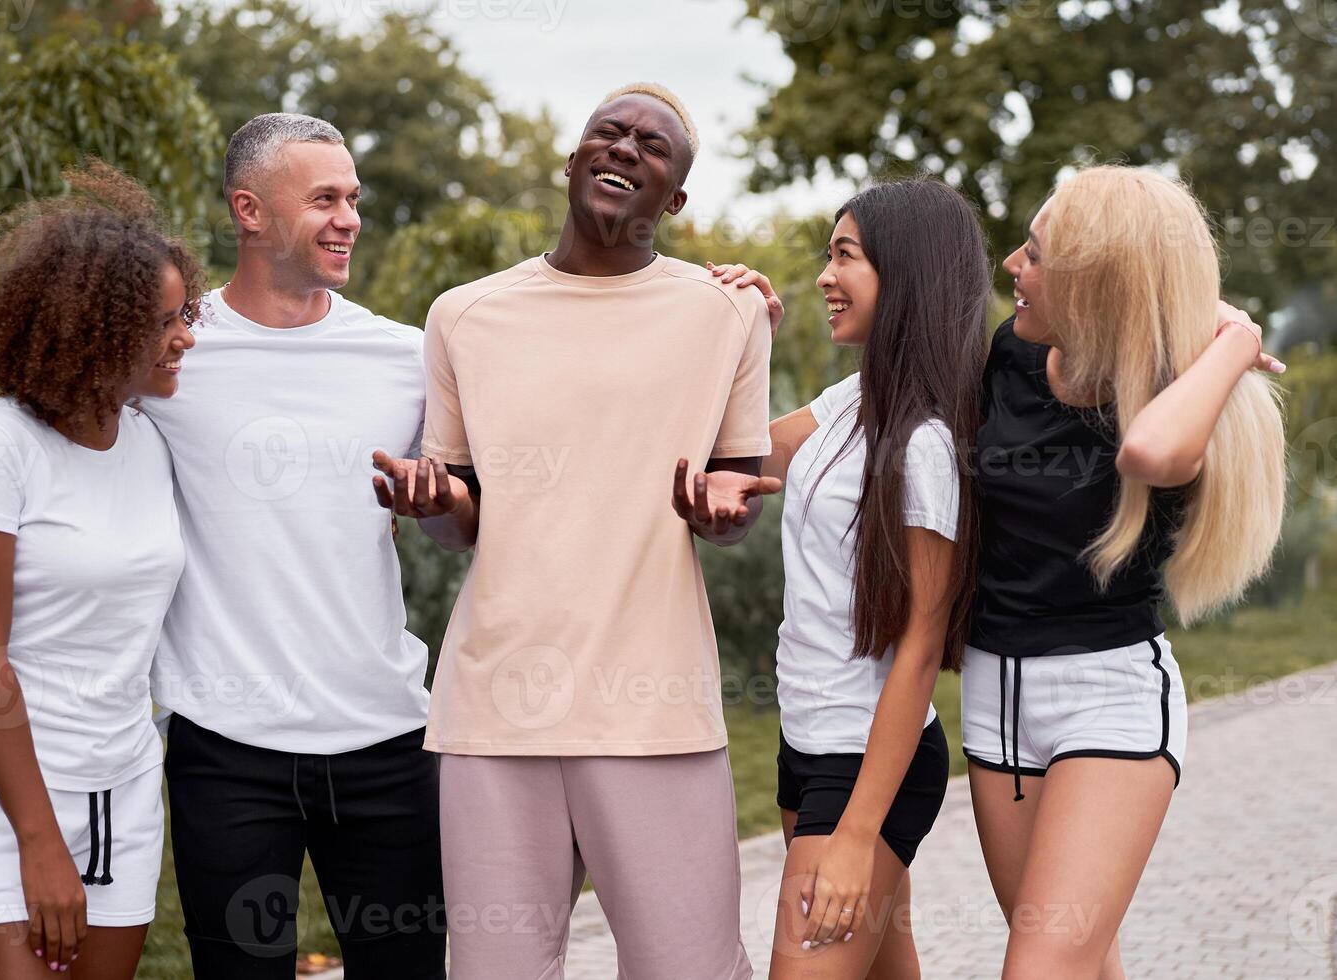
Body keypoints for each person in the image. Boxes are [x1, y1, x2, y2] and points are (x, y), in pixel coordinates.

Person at [0, 113, 447, 977]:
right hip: (223, 745)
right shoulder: (159, 340)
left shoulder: (406, 356)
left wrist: (446, 500)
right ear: (250, 209)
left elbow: (462, 514)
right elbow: (44, 410)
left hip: (385, 736)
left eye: (354, 197)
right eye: (325, 198)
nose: (350, 216)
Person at [375, 82, 776, 979]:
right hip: (493, 710)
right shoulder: (464, 315)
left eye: (654, 146)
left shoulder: (728, 314)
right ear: (574, 161)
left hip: (655, 709)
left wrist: (719, 514)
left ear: (674, 200)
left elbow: (737, 499)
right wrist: (440, 506)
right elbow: (464, 521)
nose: (627, 147)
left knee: (690, 969)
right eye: (610, 132)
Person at [963, 165, 1286, 978]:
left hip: (1108, 701)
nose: (1011, 265)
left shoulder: (1176, 393)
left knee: (1040, 969)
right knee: (1082, 958)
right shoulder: (1009, 355)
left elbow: (1149, 453)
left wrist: (1235, 341)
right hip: (994, 695)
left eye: (1033, 255)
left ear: (1090, 279)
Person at [0, 162, 200, 979]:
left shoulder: (151, 442)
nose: (186, 337)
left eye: (187, 314)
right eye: (163, 322)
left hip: (123, 791)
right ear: (93, 329)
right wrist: (39, 844)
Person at [709, 178, 991, 978]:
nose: (825, 277)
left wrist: (859, 834)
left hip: (865, 768)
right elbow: (740, 450)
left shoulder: (927, 445)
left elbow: (921, 645)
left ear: (907, 276)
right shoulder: (856, 402)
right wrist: (744, 335)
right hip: (808, 743)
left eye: (846, 257)